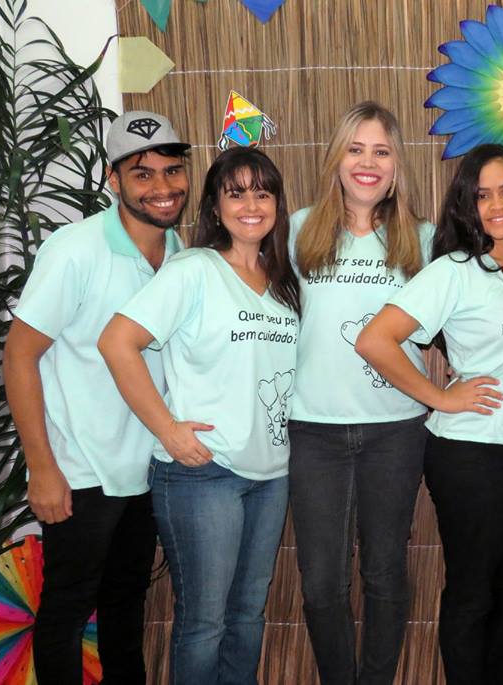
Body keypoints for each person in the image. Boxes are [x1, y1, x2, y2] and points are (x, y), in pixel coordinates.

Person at [356, 143, 503, 685]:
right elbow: (375, 340)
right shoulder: (455, 270)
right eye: (482, 195)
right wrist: (440, 396)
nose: (497, 205)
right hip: (470, 453)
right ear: (467, 204)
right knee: (473, 595)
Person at [98, 147, 299, 685]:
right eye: (236, 194)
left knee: (248, 614)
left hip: (270, 474)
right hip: (203, 472)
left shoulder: (284, 282)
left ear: (278, 205)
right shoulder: (194, 270)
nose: (251, 205)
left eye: (263, 193)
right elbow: (117, 342)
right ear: (214, 206)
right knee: (205, 622)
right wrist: (166, 429)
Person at [2, 110, 190, 684]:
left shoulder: (181, 251)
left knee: (126, 605)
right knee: (66, 607)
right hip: (81, 470)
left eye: (172, 170)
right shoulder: (75, 250)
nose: (161, 187)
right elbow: (19, 355)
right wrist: (42, 468)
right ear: (114, 180)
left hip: (148, 467)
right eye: (142, 174)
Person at [287, 101, 434, 685]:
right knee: (322, 582)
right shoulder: (296, 230)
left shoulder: (422, 240)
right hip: (313, 431)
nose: (368, 162)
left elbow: (499, 261)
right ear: (336, 159)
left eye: (381, 151)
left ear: (397, 166)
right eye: (356, 149)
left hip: (394, 431)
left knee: (384, 573)